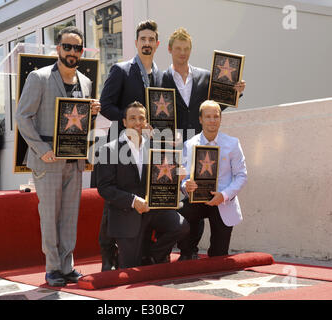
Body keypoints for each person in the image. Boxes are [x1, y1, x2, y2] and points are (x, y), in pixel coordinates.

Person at [15, 26, 101, 287]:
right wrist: (42, 150)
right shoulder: (38, 78)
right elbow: (22, 117)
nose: (72, 52)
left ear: (82, 51)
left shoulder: (85, 82)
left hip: (73, 159)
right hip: (47, 159)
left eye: (77, 48)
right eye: (67, 47)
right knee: (50, 215)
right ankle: (52, 268)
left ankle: (67, 266)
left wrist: (93, 112)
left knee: (69, 215)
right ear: (58, 49)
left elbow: (81, 123)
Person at [98, 20, 163, 271]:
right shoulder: (121, 70)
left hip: (147, 144)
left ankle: (143, 249)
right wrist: (130, 123)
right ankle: (107, 253)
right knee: (113, 199)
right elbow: (105, 105)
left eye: (151, 40)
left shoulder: (160, 74)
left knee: (141, 193)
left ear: (156, 44)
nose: (146, 43)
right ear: (136, 43)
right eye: (142, 39)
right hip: (121, 144)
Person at [96, 101, 189, 268]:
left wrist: (177, 175)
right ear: (124, 122)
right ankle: (121, 256)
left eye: (141, 118)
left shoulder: (156, 148)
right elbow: (105, 188)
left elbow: (162, 179)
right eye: (133, 118)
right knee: (130, 267)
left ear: (146, 122)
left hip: (152, 210)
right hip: (126, 212)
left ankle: (153, 255)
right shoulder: (108, 149)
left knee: (181, 226)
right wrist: (133, 201)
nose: (138, 122)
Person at [178, 100, 247, 260]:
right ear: (200, 119)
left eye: (216, 116)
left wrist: (224, 195)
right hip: (196, 201)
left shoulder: (232, 144)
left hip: (222, 200)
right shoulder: (189, 144)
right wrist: (185, 186)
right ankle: (188, 252)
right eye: (208, 116)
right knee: (181, 216)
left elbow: (241, 175)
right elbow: (184, 179)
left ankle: (215, 255)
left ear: (221, 119)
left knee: (219, 255)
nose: (212, 120)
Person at [162, 27, 246, 143]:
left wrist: (236, 91)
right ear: (169, 49)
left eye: (186, 49)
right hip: (173, 145)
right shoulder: (160, 80)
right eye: (178, 48)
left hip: (202, 143)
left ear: (191, 50)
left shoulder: (205, 77)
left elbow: (216, 105)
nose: (183, 52)